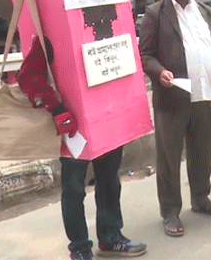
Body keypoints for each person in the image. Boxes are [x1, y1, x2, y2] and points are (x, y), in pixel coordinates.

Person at [17, 36, 147, 260]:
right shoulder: (53, 31)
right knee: (74, 188)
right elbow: (28, 76)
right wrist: (55, 107)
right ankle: (79, 248)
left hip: (107, 118)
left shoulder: (110, 29)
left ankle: (110, 238)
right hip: (73, 125)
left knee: (109, 180)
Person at [139, 0, 211, 238]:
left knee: (201, 151)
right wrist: (160, 71)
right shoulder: (155, 14)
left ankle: (201, 199)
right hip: (173, 98)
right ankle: (170, 211)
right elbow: (145, 55)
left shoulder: (206, 12)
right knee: (169, 157)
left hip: (204, 94)